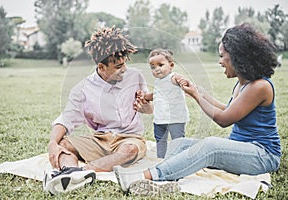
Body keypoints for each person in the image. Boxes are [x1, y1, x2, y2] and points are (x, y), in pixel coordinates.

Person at [114, 23, 281, 196]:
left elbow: (224, 119)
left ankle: (142, 177)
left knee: (210, 145)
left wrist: (196, 96)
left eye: (223, 56)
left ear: (238, 57)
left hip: (263, 155)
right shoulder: (243, 83)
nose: (219, 61)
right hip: (241, 146)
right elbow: (229, 109)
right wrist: (201, 91)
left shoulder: (260, 86)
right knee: (180, 143)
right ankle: (162, 177)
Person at [43, 26, 153, 195]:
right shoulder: (82, 89)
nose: (124, 69)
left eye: (124, 64)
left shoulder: (135, 76)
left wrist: (146, 108)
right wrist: (52, 144)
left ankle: (83, 173)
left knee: (130, 150)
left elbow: (148, 107)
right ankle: (70, 172)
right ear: (102, 67)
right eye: (118, 66)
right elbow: (66, 119)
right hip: (101, 139)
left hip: (130, 139)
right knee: (63, 144)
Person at [136, 49, 189, 158]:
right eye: (153, 67)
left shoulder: (173, 77)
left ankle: (179, 159)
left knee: (178, 140)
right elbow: (155, 94)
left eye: (160, 65)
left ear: (171, 65)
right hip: (160, 119)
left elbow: (180, 79)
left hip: (175, 118)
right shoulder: (158, 82)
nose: (157, 69)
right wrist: (145, 97)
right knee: (160, 140)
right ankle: (160, 158)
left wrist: (182, 81)